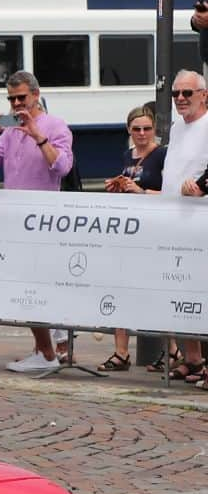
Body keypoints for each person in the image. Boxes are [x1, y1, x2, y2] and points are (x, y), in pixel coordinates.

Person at [0, 70, 74, 374]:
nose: (17, 104)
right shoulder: (9, 129)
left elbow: (63, 167)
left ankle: (47, 352)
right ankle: (44, 350)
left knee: (35, 288)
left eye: (22, 98)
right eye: (12, 99)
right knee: (24, 288)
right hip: (13, 221)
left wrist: (37, 135)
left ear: (36, 94)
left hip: (44, 220)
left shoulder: (56, 125)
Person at [93, 105, 164, 372]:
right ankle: (121, 352)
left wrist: (141, 191)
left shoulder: (163, 155)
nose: (142, 134)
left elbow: (170, 193)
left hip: (154, 230)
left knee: (155, 290)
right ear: (129, 131)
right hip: (129, 230)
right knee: (120, 286)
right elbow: (128, 187)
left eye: (147, 129)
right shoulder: (127, 155)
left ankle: (173, 349)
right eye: (137, 129)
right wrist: (117, 187)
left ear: (154, 130)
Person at [158, 70, 208, 388]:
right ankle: (192, 358)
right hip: (174, 221)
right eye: (175, 93)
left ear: (204, 95)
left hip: (201, 221)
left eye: (187, 93)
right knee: (182, 291)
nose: (179, 99)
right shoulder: (178, 127)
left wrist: (202, 187)